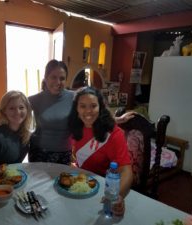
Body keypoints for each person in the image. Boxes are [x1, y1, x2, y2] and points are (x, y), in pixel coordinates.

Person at [68, 86, 133, 216]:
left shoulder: (114, 133)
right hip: (80, 186)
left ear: (100, 107)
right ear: (76, 109)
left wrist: (118, 196)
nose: (88, 111)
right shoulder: (72, 127)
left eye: (93, 106)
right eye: (83, 106)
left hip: (104, 190)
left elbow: (126, 170)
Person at [28, 59, 74, 164]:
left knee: (62, 180)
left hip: (64, 153)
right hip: (39, 152)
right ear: (46, 78)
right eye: (53, 77)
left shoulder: (74, 97)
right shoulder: (35, 99)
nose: (58, 82)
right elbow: (11, 109)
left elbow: (95, 108)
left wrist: (113, 119)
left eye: (62, 78)